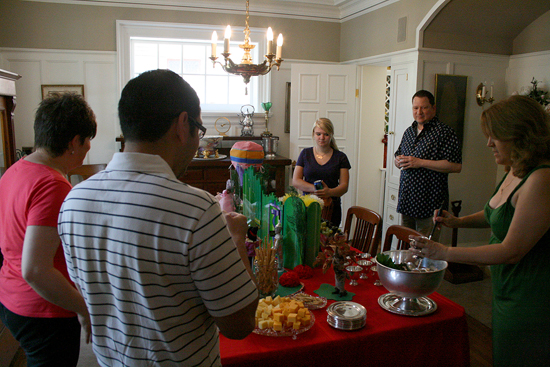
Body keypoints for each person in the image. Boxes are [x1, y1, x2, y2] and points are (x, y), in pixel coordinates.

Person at [58, 69, 259, 367]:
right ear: (182, 125)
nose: (196, 144)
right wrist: (237, 239)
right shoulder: (196, 210)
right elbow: (239, 325)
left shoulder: (73, 201)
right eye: (198, 131)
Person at [410, 95, 550, 366]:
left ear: (519, 135)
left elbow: (511, 251)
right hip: (505, 290)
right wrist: (457, 222)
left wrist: (446, 252)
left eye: (494, 136)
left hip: (529, 298)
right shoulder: (515, 169)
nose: (488, 144)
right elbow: (493, 213)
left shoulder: (542, 179)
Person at [0, 93, 96, 366]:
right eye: (88, 139)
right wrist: (83, 308)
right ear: (73, 142)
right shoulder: (52, 185)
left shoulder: (16, 169)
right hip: (42, 311)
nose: (89, 146)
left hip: (9, 296)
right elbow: (35, 270)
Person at [394, 90, 462, 240]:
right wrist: (397, 161)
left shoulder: (445, 132)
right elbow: (398, 154)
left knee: (425, 252)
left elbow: (456, 166)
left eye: (424, 107)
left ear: (433, 108)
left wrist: (420, 162)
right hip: (407, 200)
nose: (419, 112)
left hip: (430, 203)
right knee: (406, 247)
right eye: (415, 108)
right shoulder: (409, 131)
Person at [292, 118, 351, 227]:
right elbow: (296, 181)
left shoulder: (341, 157)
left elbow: (344, 186)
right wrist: (316, 189)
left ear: (331, 135)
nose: (322, 138)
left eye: (326, 134)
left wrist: (329, 192)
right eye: (318, 134)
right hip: (308, 206)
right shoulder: (305, 154)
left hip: (331, 209)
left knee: (329, 241)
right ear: (313, 134)